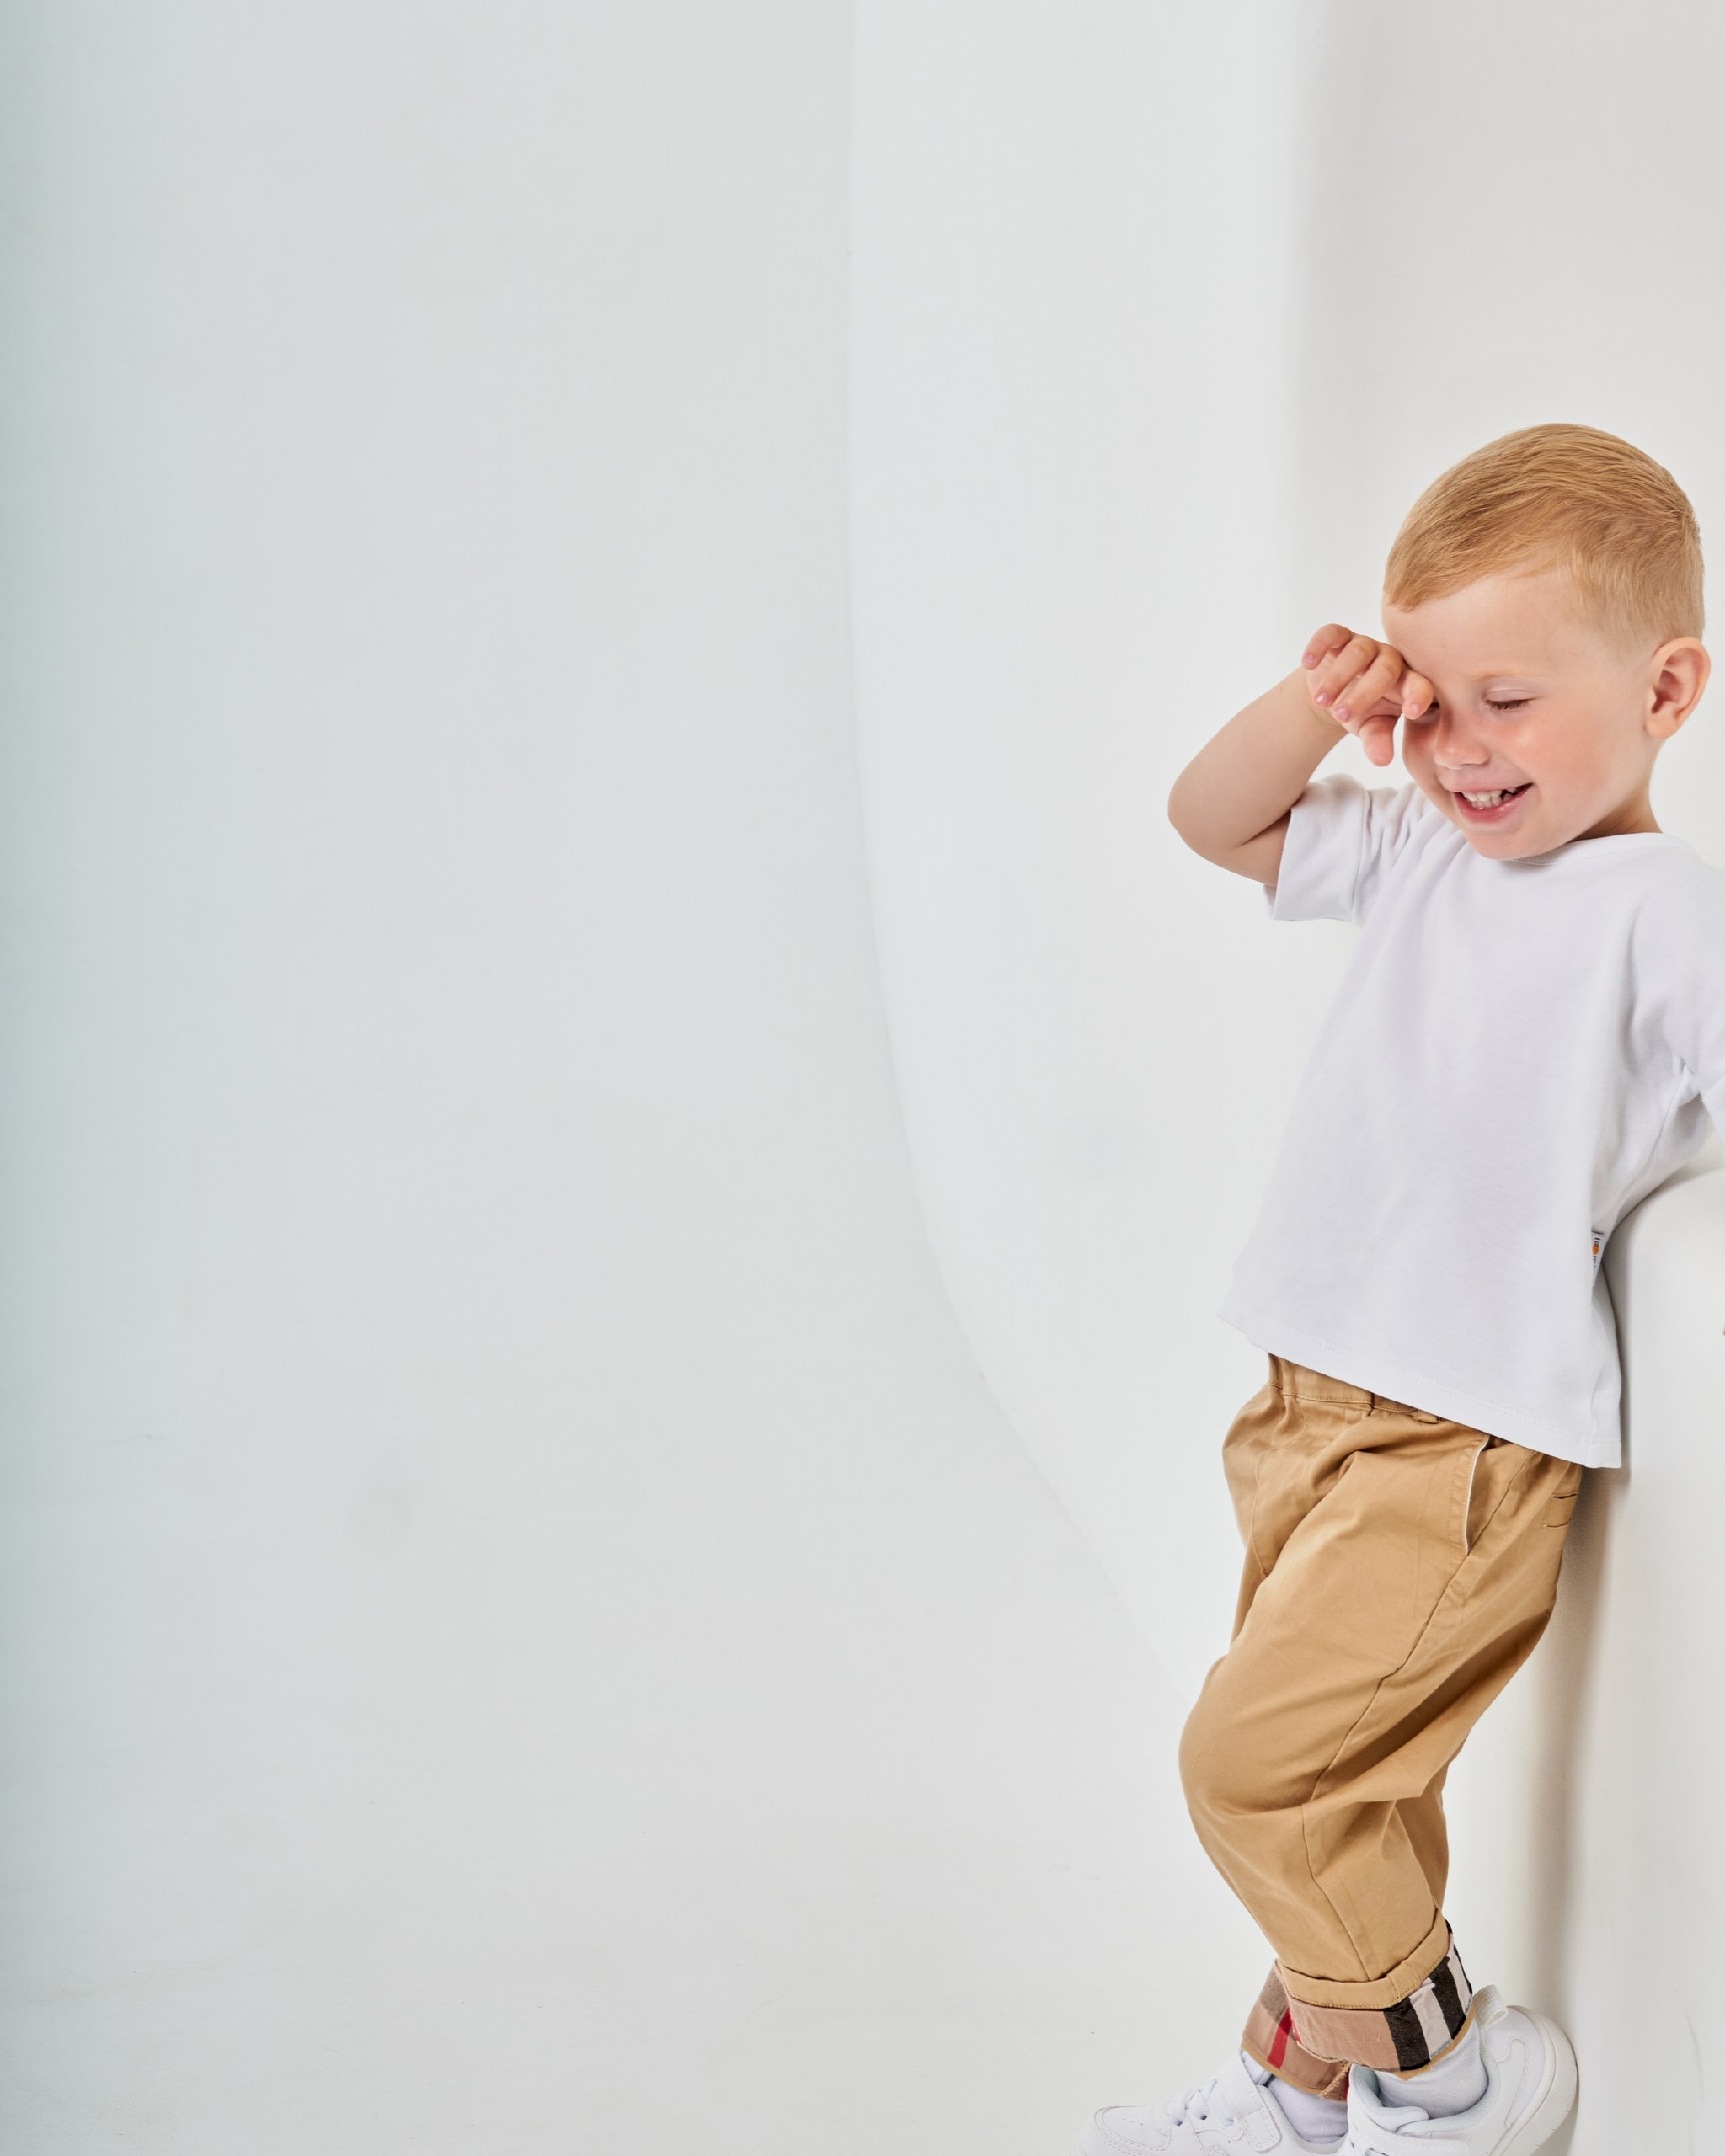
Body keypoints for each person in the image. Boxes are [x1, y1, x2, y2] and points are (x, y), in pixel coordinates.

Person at [1077, 423, 1725, 2155]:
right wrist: (1320, 705)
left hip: (1458, 1436)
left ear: (1666, 687)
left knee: (1251, 1770)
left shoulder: (1653, 902)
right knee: (1339, 1791)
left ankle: (1444, 2073)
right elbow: (1212, 815)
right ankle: (1297, 2089)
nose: (1455, 747)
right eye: (1424, 703)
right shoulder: (1425, 846)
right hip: (1301, 1400)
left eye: (1504, 698)